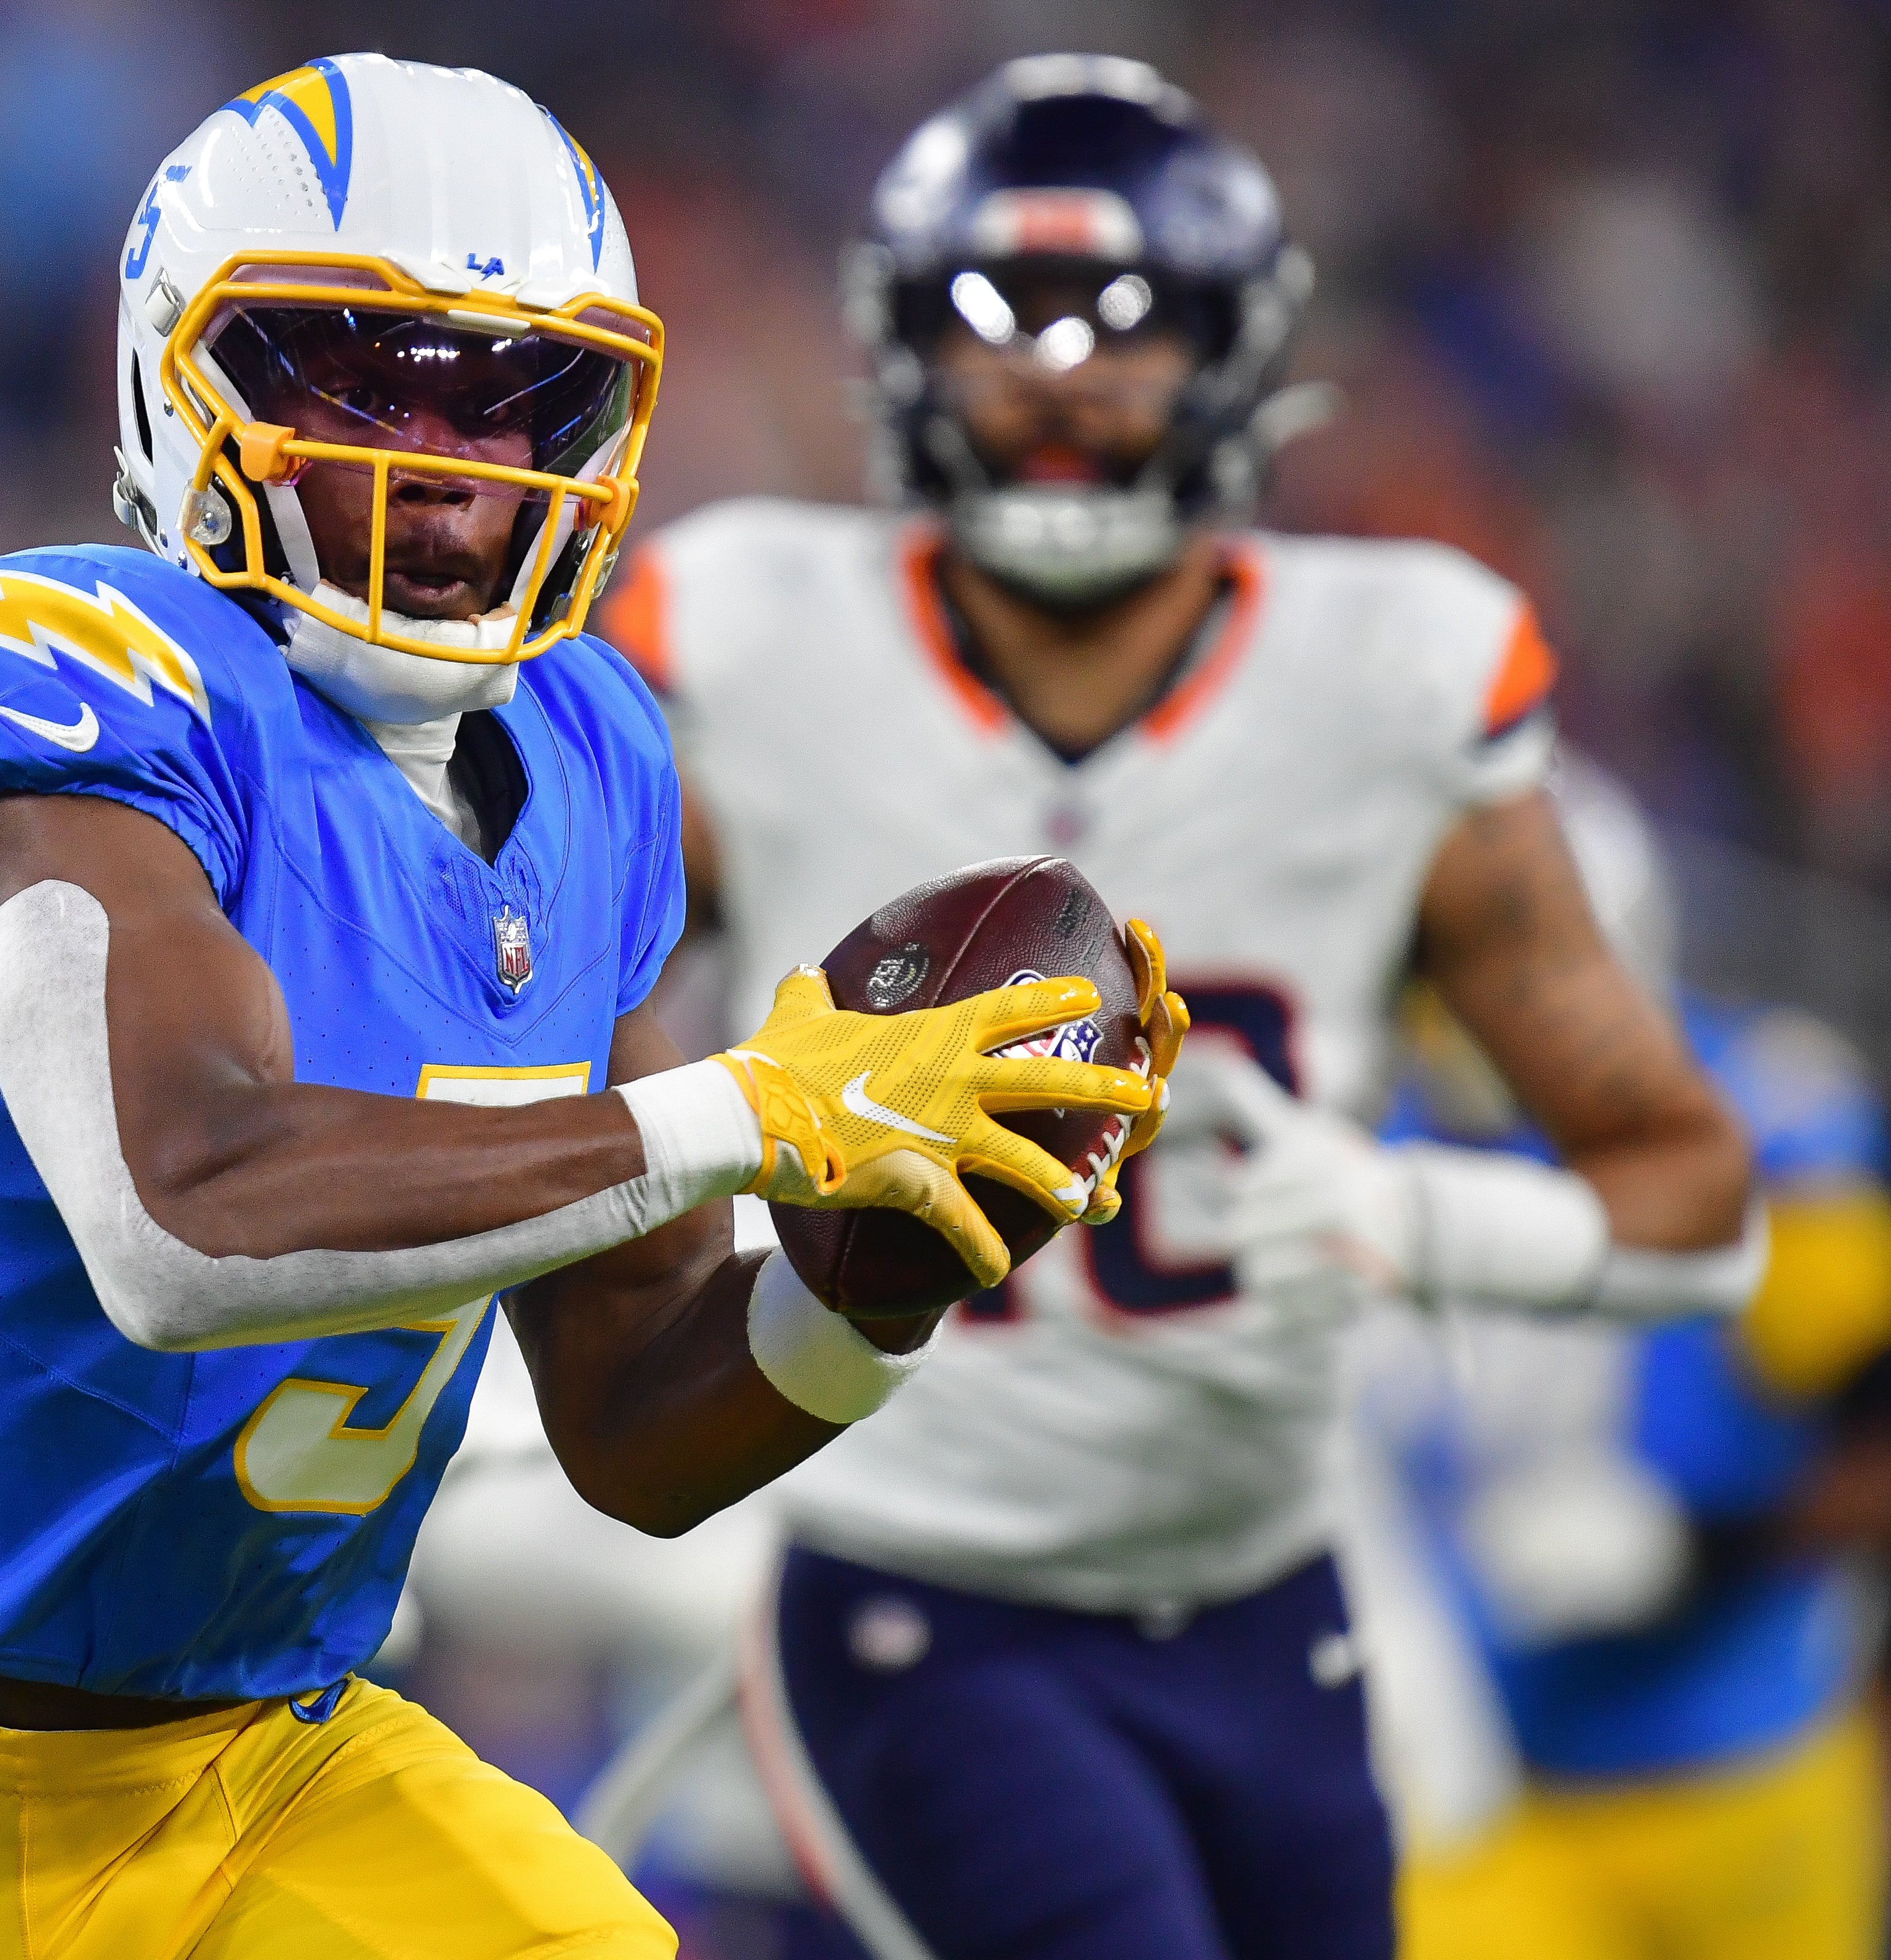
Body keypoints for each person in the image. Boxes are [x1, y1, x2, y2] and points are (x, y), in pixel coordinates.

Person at [0, 53, 1170, 1960]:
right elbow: (177, 1214)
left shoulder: (600, 751)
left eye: (517, 401)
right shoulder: (71, 677)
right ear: (176, 386)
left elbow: (633, 1419)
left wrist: (881, 1286)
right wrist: (762, 1108)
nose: (446, 469)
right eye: (358, 382)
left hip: (277, 1755)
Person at [596, 54, 1759, 1960]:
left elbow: (1691, 1191)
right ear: (898, 350)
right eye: (997, 322)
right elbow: (567, 1042)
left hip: (1266, 1603)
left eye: (1128, 327)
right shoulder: (747, 638)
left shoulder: (1392, 677)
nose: (1060, 378)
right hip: (918, 1588)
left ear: (1237, 356)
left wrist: (1417, 1218)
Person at [1367, 756, 1891, 1960]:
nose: (1478, 1011)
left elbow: (1874, 1442)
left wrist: (1696, 1549)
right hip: (1494, 1787)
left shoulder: (1771, 1123)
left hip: (1739, 1768)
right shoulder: (1370, 1131)